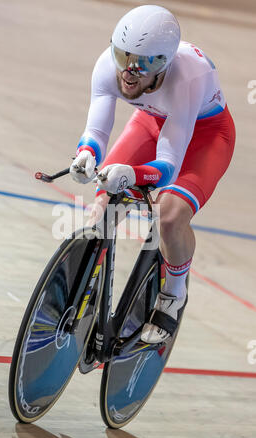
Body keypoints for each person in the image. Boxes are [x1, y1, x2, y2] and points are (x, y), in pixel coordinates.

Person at [69, 5, 236, 343]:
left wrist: (131, 173)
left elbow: (168, 164)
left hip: (205, 136)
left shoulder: (187, 78)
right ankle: (87, 286)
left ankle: (174, 294)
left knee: (170, 216)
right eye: (123, 55)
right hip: (152, 121)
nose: (129, 72)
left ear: (165, 63)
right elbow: (97, 129)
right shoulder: (107, 65)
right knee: (102, 206)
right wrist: (86, 155)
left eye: (144, 63)